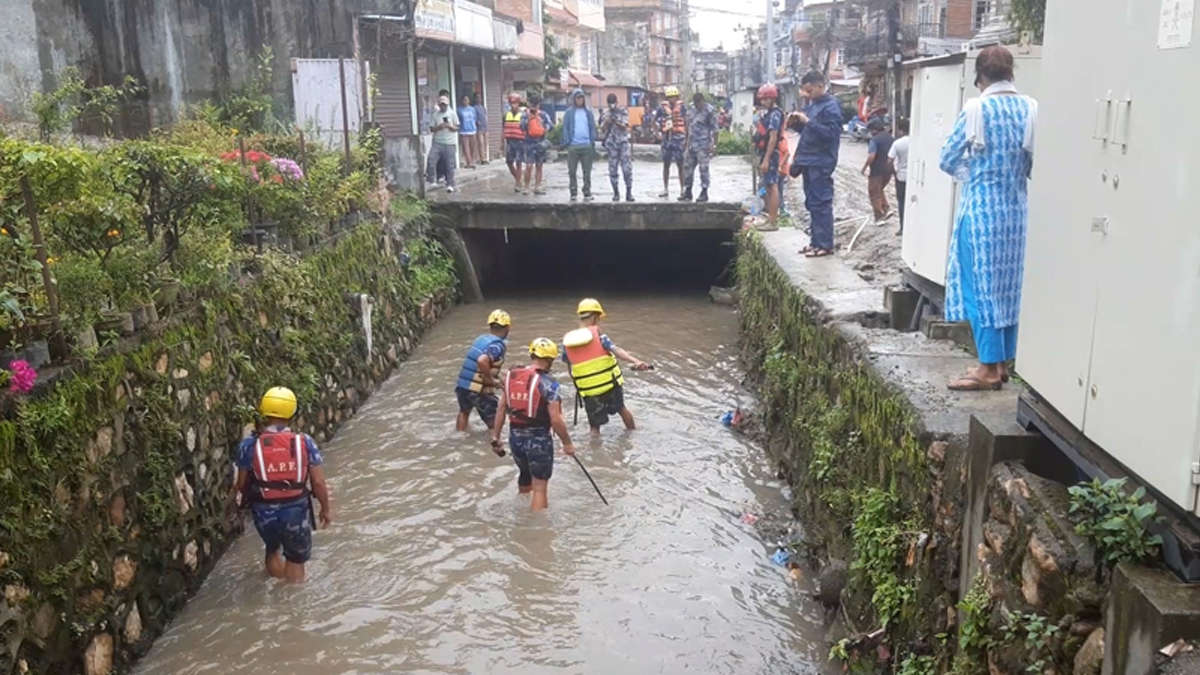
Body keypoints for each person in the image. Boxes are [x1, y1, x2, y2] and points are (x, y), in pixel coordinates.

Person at [938, 46, 1037, 391]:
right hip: (1016, 211)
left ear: (979, 76)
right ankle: (1002, 363)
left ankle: (987, 368)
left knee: (981, 287)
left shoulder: (976, 109)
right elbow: (1034, 162)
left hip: (982, 211)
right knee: (1009, 287)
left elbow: (948, 158)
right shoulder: (1031, 108)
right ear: (1012, 73)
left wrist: (977, 173)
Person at [234, 387, 332, 583]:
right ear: (292, 411)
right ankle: (291, 602)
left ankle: (276, 582)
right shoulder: (305, 442)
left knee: (272, 549)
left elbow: (241, 484)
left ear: (263, 410)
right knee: (296, 560)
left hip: (263, 512)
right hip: (296, 511)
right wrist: (325, 509)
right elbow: (318, 482)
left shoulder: (249, 445)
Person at [490, 339, 577, 511]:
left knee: (524, 474)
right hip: (539, 440)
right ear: (551, 360)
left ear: (531, 355)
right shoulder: (549, 383)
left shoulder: (512, 377)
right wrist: (567, 443)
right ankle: (536, 530)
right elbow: (556, 419)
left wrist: (495, 437)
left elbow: (501, 408)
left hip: (515, 439)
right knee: (539, 489)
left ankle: (521, 509)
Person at [562, 299, 652, 436]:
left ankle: (595, 452)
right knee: (622, 410)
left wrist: (579, 386)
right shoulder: (599, 336)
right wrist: (636, 361)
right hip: (610, 384)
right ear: (595, 317)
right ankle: (633, 435)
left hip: (589, 390)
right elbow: (616, 350)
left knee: (594, 427)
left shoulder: (567, 342)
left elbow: (570, 367)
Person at [790, 71, 844, 257]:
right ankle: (815, 242)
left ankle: (825, 244)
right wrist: (796, 123)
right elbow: (808, 131)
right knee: (811, 202)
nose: (807, 94)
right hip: (808, 160)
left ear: (820, 86)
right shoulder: (812, 105)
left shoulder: (831, 107)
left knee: (821, 202)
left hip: (821, 161)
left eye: (809, 90)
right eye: (805, 91)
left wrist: (808, 121)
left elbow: (830, 134)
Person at [455, 310, 512, 430]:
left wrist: (500, 379)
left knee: (464, 413)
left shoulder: (481, 339)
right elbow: (482, 361)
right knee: (494, 422)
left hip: (463, 385)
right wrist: (490, 379)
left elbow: (483, 364)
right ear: (507, 328)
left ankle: (460, 437)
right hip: (479, 390)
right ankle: (492, 444)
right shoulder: (497, 345)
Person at [753, 83, 786, 231]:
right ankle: (770, 218)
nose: (763, 102)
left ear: (773, 99)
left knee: (772, 187)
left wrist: (766, 159)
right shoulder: (768, 113)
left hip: (771, 154)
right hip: (766, 152)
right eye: (761, 100)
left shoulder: (775, 114)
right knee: (767, 185)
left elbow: (773, 138)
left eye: (766, 99)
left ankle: (773, 221)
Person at [561, 88, 598, 202]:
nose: (580, 100)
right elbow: (565, 128)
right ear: (573, 99)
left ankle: (587, 191)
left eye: (581, 97)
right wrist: (568, 142)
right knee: (572, 171)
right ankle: (573, 192)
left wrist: (592, 140)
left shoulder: (588, 113)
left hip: (586, 145)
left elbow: (592, 127)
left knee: (587, 171)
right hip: (573, 146)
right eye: (577, 98)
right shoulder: (568, 113)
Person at [681, 93, 719, 203]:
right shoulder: (692, 110)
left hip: (704, 145)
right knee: (687, 167)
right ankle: (688, 191)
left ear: (703, 101)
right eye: (696, 104)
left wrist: (714, 145)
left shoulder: (710, 111)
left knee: (703, 169)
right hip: (692, 144)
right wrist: (686, 140)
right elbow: (689, 125)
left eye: (699, 104)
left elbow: (715, 129)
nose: (698, 106)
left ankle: (704, 191)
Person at [600, 93, 635, 202]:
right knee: (612, 170)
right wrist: (607, 121)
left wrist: (616, 121)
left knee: (627, 169)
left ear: (617, 102)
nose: (612, 105)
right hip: (612, 145)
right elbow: (602, 129)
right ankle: (616, 193)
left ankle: (629, 193)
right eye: (610, 103)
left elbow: (625, 126)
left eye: (613, 102)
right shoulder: (605, 113)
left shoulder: (623, 111)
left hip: (623, 144)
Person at [654, 87, 688, 198]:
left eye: (673, 97)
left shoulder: (682, 108)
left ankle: (683, 189)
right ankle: (665, 189)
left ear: (677, 97)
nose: (671, 99)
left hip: (679, 138)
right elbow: (653, 121)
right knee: (666, 164)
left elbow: (687, 123)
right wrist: (657, 134)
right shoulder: (662, 109)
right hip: (666, 139)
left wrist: (687, 139)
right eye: (669, 97)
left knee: (680, 164)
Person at [863, 118, 895, 224]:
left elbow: (872, 156)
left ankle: (879, 216)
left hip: (877, 170)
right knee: (879, 189)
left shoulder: (874, 140)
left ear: (874, 130)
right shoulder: (890, 138)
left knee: (874, 192)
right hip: (889, 169)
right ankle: (886, 208)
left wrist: (864, 168)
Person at [426, 95, 460, 192]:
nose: (443, 107)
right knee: (431, 159)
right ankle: (431, 180)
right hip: (438, 142)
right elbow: (432, 129)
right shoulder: (435, 115)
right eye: (441, 105)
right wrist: (439, 127)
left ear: (447, 105)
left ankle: (450, 183)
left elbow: (457, 128)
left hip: (449, 142)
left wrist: (449, 126)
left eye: (444, 105)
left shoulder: (452, 114)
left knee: (450, 164)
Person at [521, 95, 553, 195]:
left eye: (535, 105)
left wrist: (543, 128)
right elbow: (521, 126)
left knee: (539, 165)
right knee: (529, 166)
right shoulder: (525, 115)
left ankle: (537, 187)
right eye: (532, 105)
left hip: (540, 143)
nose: (534, 108)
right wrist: (529, 120)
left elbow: (551, 125)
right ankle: (526, 187)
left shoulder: (543, 115)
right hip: (529, 143)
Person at [889, 118, 911, 235]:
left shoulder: (897, 143)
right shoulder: (917, 141)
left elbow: (889, 160)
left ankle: (903, 228)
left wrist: (894, 172)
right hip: (914, 178)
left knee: (902, 202)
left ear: (900, 129)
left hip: (901, 177)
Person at [502, 93, 526, 192]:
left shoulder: (524, 115)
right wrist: (501, 142)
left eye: (515, 103)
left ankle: (518, 183)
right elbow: (503, 128)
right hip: (510, 141)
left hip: (520, 141)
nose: (513, 105)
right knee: (509, 162)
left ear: (518, 103)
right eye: (511, 103)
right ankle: (518, 179)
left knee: (519, 163)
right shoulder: (506, 115)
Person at [458, 94, 478, 169]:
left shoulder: (472, 109)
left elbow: (475, 118)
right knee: (466, 147)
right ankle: (469, 162)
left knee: (473, 147)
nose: (466, 101)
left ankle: (472, 160)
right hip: (464, 130)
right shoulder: (459, 110)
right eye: (464, 100)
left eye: (467, 100)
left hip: (472, 129)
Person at [472, 93, 490, 165]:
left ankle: (485, 157)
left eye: (480, 97)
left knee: (485, 143)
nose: (479, 99)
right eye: (477, 97)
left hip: (485, 127)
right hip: (479, 128)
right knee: (481, 144)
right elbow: (473, 117)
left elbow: (485, 116)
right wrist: (476, 122)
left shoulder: (482, 107)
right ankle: (482, 159)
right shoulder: (474, 108)